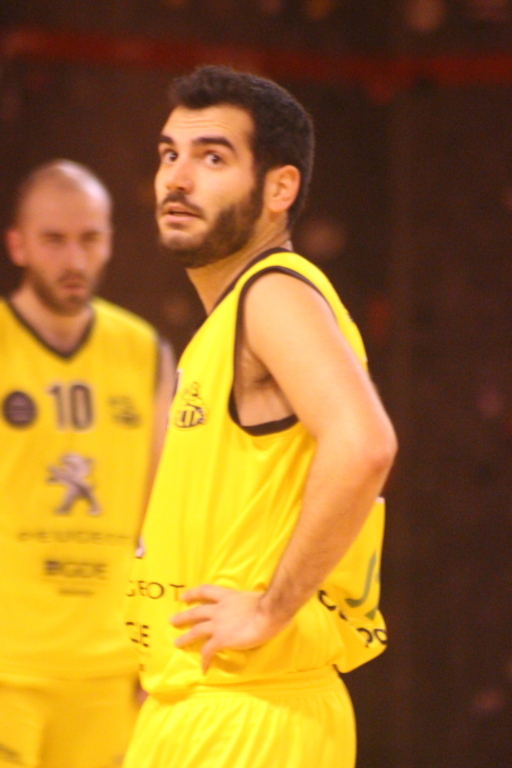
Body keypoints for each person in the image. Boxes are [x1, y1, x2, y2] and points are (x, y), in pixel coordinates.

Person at [124, 66, 397, 768]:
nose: (178, 178)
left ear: (280, 189)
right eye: (169, 154)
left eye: (213, 157)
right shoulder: (232, 318)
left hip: (249, 717)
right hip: (210, 708)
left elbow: (365, 443)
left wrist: (271, 608)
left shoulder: (271, 294)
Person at [0, 160, 174, 768]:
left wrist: (160, 649)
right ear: (17, 245)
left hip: (110, 672)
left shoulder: (145, 352)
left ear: (110, 241)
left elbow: (165, 514)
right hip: (8, 668)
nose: (73, 259)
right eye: (53, 240)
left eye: (89, 238)